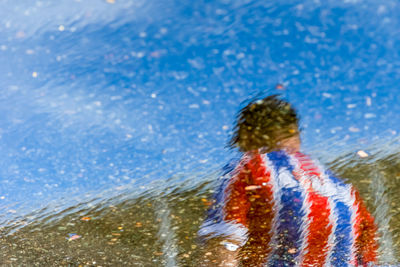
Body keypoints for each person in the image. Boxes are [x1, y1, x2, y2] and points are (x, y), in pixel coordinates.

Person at [199, 95, 378, 267]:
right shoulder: (343, 188)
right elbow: (368, 258)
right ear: (295, 133)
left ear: (249, 135)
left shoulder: (249, 168)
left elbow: (223, 246)